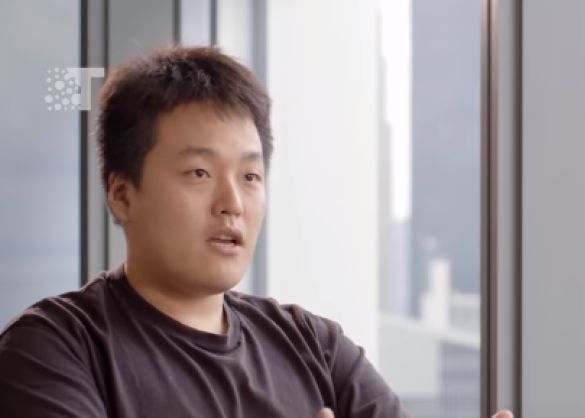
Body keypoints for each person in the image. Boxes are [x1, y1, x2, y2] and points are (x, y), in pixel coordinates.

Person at [0, 45, 514, 418]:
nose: (232, 203)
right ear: (122, 193)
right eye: (199, 173)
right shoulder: (56, 347)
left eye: (250, 177)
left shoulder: (315, 346)